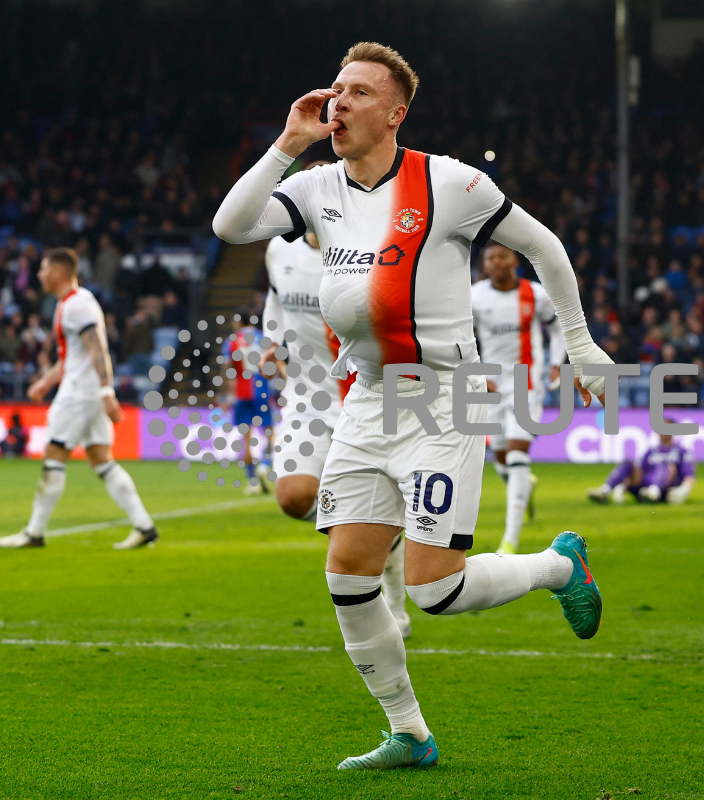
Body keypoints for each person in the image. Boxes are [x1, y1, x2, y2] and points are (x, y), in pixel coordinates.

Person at [213, 41, 612, 770]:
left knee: (435, 590)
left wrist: (582, 347)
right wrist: (287, 143)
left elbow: (545, 247)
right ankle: (410, 734)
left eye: (359, 92)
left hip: (443, 399)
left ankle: (558, 567)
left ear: (396, 113)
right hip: (367, 398)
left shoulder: (451, 183)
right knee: (349, 575)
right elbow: (230, 226)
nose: (339, 101)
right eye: (335, 88)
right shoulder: (316, 188)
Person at [258, 154, 410, 638]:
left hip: (366, 393)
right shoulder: (278, 252)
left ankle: (392, 586)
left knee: (361, 506)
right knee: (293, 497)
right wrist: (270, 343)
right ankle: (385, 541)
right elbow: (276, 299)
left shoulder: (375, 251)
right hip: (307, 394)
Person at [0, 247, 159, 550]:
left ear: (58, 272)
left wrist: (107, 391)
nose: (40, 275)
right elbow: (74, 356)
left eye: (44, 269)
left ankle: (34, 533)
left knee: (54, 456)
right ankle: (144, 526)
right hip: (86, 391)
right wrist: (46, 380)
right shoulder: (72, 303)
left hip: (79, 395)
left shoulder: (75, 306)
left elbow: (98, 350)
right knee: (102, 461)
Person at [471, 242, 565, 554]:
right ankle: (523, 486)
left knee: (515, 453)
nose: (496, 262)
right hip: (491, 385)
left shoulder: (535, 294)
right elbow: (458, 336)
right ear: (485, 265)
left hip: (527, 383)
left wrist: (555, 364)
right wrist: (475, 373)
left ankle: (510, 540)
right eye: (490, 258)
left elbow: (560, 328)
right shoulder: (474, 297)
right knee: (499, 457)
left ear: (514, 261)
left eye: (502, 256)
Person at [223, 312, 276, 495]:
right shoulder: (262, 337)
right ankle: (265, 464)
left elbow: (227, 368)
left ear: (238, 322)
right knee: (269, 432)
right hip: (260, 388)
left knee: (246, 438)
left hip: (241, 391)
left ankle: (252, 481)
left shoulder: (232, 340)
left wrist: (226, 396)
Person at [587, 433, 695, 505]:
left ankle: (654, 491)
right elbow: (638, 471)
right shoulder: (652, 450)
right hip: (643, 489)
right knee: (627, 463)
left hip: (667, 489)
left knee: (663, 465)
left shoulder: (681, 451)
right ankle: (605, 491)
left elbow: (689, 474)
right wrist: (622, 487)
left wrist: (682, 491)